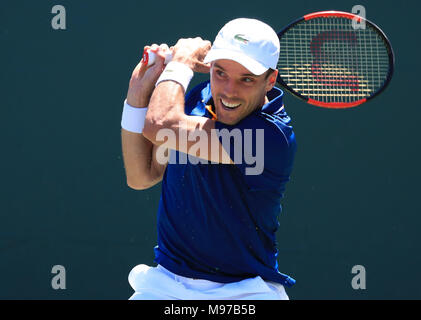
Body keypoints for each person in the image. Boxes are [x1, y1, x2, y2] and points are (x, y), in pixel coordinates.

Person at [121, 18, 297, 300]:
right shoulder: (194, 101)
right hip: (165, 286)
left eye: (246, 79)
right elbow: (141, 176)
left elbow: (160, 126)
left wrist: (179, 64)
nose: (229, 90)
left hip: (246, 292)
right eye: (221, 72)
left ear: (270, 81)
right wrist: (137, 93)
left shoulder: (270, 138)